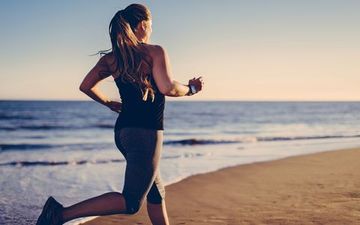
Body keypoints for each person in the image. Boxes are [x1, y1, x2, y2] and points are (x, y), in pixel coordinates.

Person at [35, 3, 204, 225]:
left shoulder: (112, 59)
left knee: (155, 192)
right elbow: (168, 88)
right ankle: (59, 214)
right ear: (143, 24)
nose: (152, 29)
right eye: (151, 24)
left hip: (123, 133)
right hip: (145, 135)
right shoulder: (154, 52)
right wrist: (191, 89)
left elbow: (86, 86)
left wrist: (108, 103)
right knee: (131, 202)